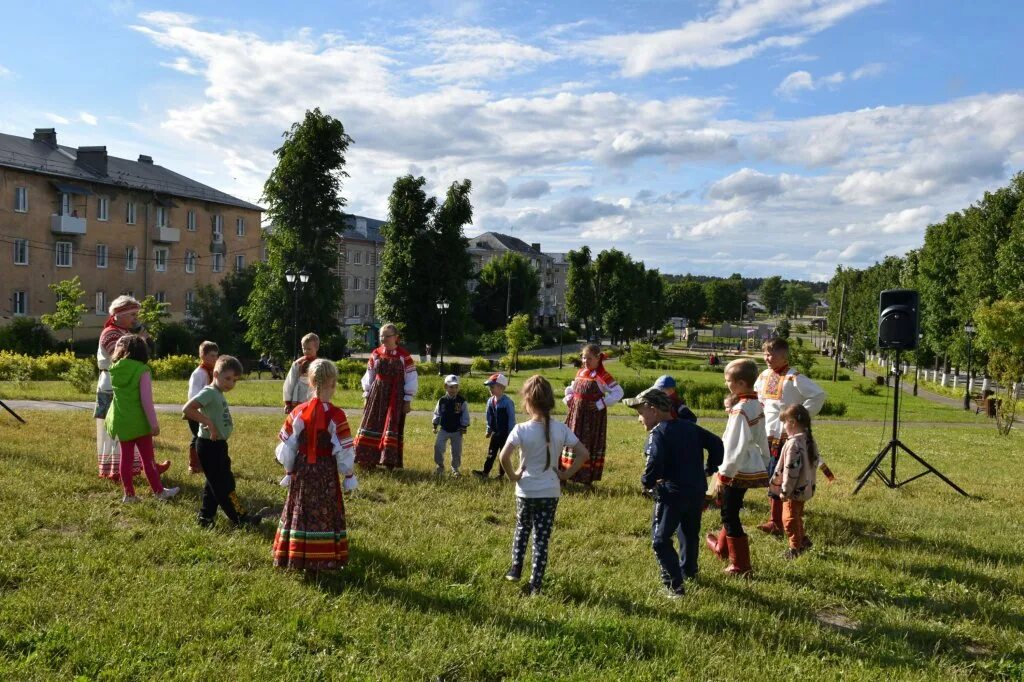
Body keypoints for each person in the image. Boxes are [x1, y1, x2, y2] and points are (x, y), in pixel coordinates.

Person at [625, 388, 723, 597]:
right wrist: (711, 467)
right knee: (688, 531)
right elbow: (717, 443)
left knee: (660, 540)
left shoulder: (658, 432)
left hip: (671, 494)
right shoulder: (690, 427)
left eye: (640, 413)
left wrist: (647, 482)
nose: (639, 419)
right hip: (696, 490)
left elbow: (654, 461)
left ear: (653, 410)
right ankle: (688, 570)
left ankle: (674, 586)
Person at [498, 376, 588, 596]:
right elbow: (583, 454)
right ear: (550, 402)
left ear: (527, 401)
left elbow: (504, 457)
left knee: (522, 529)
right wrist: (566, 473)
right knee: (541, 538)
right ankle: (535, 585)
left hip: (526, 491)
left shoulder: (521, 429)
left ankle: (516, 567)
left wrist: (513, 475)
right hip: (550, 492)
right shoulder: (561, 429)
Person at [274, 359, 358, 571]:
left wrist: (289, 470)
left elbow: (287, 448)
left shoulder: (298, 412)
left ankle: (296, 555)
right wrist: (348, 475)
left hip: (302, 470)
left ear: (310, 383)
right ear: (333, 383)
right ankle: (323, 558)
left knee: (300, 507)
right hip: (325, 471)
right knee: (324, 509)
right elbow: (345, 451)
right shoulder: (337, 416)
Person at [753, 337, 832, 536]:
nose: (767, 358)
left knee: (788, 477)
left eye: (771, 354)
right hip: (768, 436)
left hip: (786, 438)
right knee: (774, 475)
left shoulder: (793, 377)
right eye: (765, 354)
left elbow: (818, 394)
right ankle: (776, 520)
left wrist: (799, 417)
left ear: (783, 355)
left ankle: (785, 521)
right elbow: (758, 399)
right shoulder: (763, 376)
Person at [705, 359, 770, 578]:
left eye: (729, 381)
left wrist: (724, 474)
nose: (727, 385)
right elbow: (762, 437)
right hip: (751, 466)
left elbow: (734, 445)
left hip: (736, 469)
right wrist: (765, 459)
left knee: (729, 514)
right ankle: (722, 548)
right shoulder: (756, 405)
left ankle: (741, 565)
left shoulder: (740, 410)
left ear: (741, 383)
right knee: (731, 508)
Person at [94, 295, 170, 481]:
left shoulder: (123, 332)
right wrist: (140, 341)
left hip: (125, 384)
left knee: (136, 425)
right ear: (119, 314)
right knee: (119, 428)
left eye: (136, 314)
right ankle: (116, 469)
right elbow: (122, 360)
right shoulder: (111, 333)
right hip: (114, 386)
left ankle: (147, 464)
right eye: (132, 314)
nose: (136, 318)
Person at [182, 355, 263, 528]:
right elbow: (187, 409)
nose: (231, 383)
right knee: (224, 485)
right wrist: (208, 423)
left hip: (218, 445)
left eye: (235, 380)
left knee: (214, 483)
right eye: (227, 378)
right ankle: (241, 519)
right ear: (216, 374)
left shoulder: (217, 392)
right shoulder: (209, 392)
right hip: (209, 445)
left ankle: (205, 517)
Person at [105, 334, 180, 504]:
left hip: (122, 421)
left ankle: (129, 495)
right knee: (148, 459)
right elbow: (146, 401)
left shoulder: (114, 369)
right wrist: (153, 423)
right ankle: (159, 491)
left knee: (126, 459)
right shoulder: (142, 370)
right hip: (140, 423)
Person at [354, 323, 417, 469]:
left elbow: (411, 378)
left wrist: (407, 400)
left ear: (396, 337)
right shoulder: (376, 353)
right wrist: (366, 395)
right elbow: (369, 375)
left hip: (395, 396)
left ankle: (389, 461)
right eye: (381, 336)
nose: (383, 339)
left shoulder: (404, 356)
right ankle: (367, 460)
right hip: (377, 394)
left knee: (392, 425)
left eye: (387, 336)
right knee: (372, 423)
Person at [560, 343, 623, 489]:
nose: (585, 361)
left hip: (591, 419)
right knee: (570, 441)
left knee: (587, 443)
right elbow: (571, 388)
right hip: (575, 416)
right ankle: (565, 474)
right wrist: (569, 398)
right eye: (583, 358)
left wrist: (601, 404)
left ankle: (586, 479)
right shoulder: (581, 373)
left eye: (589, 358)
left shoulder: (602, 376)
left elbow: (618, 392)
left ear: (597, 359)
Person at [770, 404, 819, 559]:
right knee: (796, 516)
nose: (783, 426)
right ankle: (803, 540)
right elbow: (815, 462)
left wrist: (785, 490)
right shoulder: (807, 439)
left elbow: (791, 471)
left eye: (784, 422)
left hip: (793, 490)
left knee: (789, 519)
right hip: (805, 488)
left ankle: (794, 548)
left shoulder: (793, 444)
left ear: (792, 423)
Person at [473, 373, 515, 480]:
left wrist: (511, 434)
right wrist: (489, 429)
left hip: (505, 434)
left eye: (492, 387)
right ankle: (485, 472)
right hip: (496, 434)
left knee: (503, 455)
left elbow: (511, 420)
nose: (490, 389)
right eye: (489, 387)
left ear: (501, 387)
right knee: (491, 453)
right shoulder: (490, 401)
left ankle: (501, 475)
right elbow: (489, 417)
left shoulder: (507, 403)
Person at [185, 341, 219, 475]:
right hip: (195, 412)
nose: (215, 358)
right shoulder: (199, 373)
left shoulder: (212, 372)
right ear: (202, 356)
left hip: (207, 412)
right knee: (197, 436)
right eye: (211, 355)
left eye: (216, 355)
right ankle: (193, 464)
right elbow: (193, 394)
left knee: (207, 437)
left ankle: (206, 462)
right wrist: (198, 412)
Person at [432, 374, 470, 477]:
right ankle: (440, 466)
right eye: (451, 387)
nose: (454, 389)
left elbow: (465, 414)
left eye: (456, 387)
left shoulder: (461, 401)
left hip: (457, 431)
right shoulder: (442, 400)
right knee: (438, 447)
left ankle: (455, 468)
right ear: (445, 386)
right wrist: (435, 424)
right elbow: (437, 413)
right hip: (444, 429)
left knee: (456, 451)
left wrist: (464, 426)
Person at [283, 333, 320, 413]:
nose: (306, 351)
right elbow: (290, 382)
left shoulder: (320, 365)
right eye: (304, 349)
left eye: (309, 349)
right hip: (298, 398)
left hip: (314, 398)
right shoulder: (298, 364)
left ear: (316, 348)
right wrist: (287, 402)